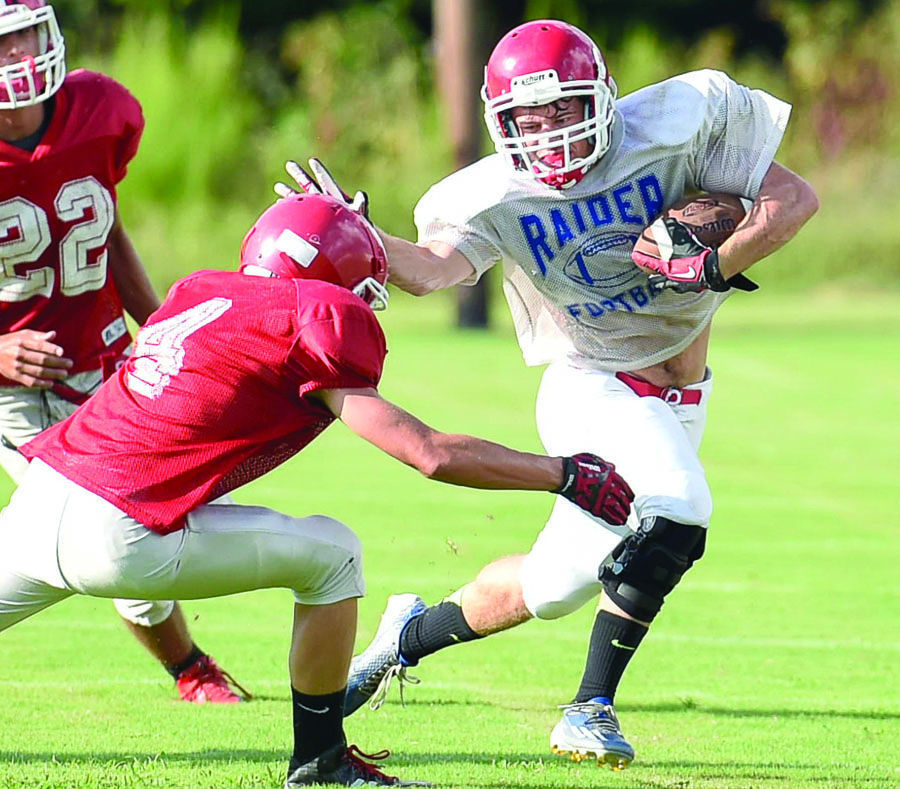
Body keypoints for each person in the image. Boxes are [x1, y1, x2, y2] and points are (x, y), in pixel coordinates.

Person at [278, 17, 820, 771]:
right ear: (502, 125)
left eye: (563, 110)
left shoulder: (679, 121)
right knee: (680, 506)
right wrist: (359, 234)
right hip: (588, 381)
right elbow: (433, 266)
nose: (548, 134)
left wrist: (712, 266)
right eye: (528, 120)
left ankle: (406, 635)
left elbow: (792, 200)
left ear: (603, 96)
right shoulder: (492, 192)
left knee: (555, 584)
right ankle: (589, 706)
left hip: (680, 389)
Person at [0, 191, 635, 786]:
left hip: (40, 496)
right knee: (334, 555)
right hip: (120, 529)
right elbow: (429, 454)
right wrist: (566, 474)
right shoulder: (317, 313)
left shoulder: (198, 292)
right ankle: (321, 760)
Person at [0, 0, 246, 703]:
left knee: (131, 515)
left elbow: (103, 226)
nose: (19, 56)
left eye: (26, 36)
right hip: (11, 387)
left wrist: (160, 323)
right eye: (2, 43)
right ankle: (192, 669)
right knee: (103, 521)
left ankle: (191, 669)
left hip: (104, 361)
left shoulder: (99, 108)